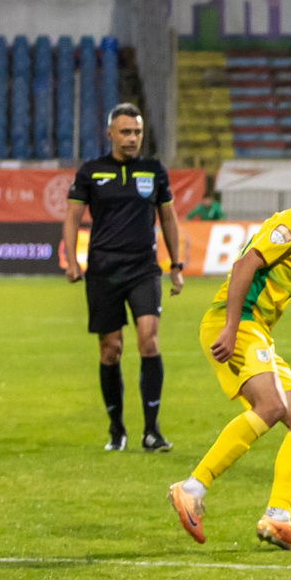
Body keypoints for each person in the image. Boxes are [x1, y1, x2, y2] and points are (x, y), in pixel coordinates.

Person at [166, 162, 291, 552]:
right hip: (238, 322)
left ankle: (277, 518)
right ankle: (190, 489)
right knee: (272, 405)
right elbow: (245, 265)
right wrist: (230, 326)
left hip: (256, 329)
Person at [62, 104, 184, 453]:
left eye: (137, 132)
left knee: (149, 341)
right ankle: (117, 429)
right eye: (126, 132)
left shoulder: (153, 170)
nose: (132, 138)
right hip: (103, 270)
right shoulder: (91, 171)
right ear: (110, 134)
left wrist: (176, 264)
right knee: (110, 349)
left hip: (143, 268)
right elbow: (72, 218)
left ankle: (151, 431)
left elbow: (169, 219)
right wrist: (72, 260)